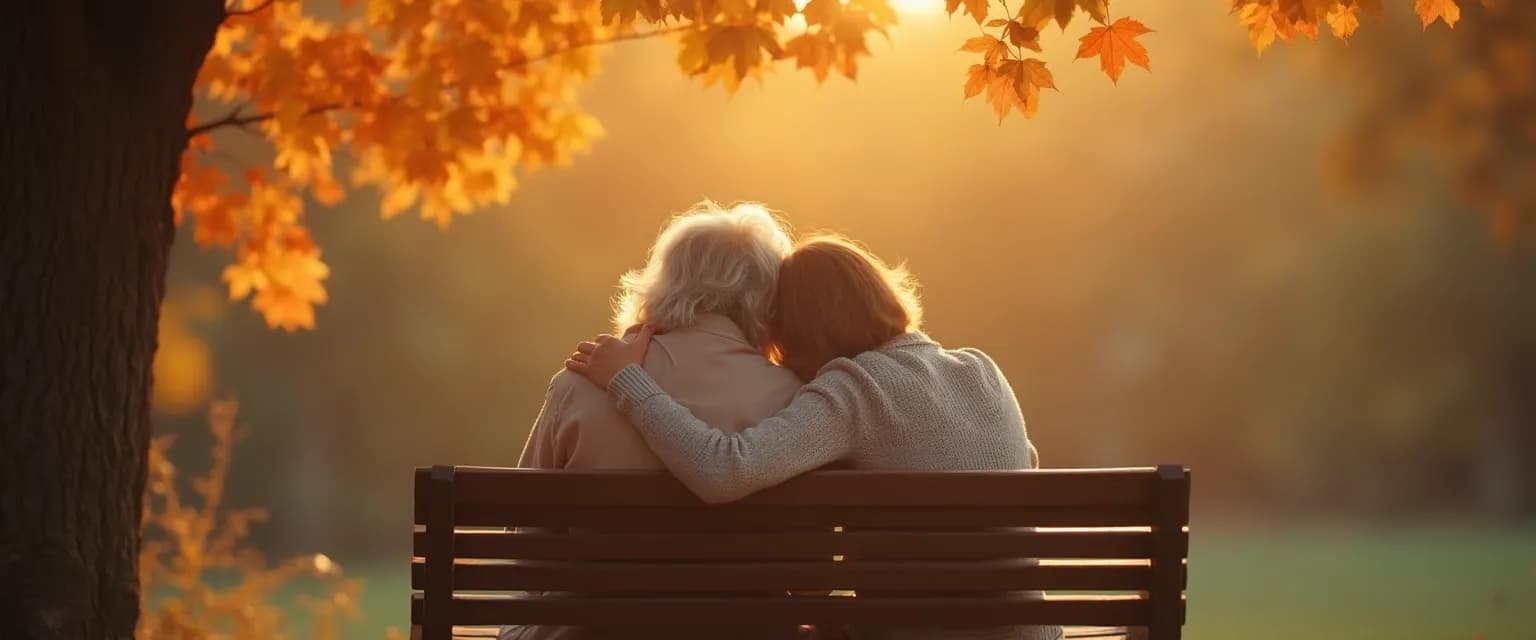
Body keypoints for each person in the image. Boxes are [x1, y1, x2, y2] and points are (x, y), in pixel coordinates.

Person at [566, 235, 1063, 640]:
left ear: (803, 329)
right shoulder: (982, 368)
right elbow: (1022, 463)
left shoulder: (852, 388)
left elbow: (724, 471)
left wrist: (628, 381)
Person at [504, 202, 805, 640]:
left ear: (665, 281)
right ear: (768, 296)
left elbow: (526, 545)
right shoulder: (794, 397)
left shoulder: (583, 381)